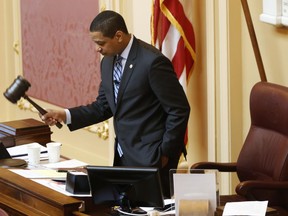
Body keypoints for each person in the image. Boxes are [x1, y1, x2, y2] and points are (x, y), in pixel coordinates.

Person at [41, 10, 190, 198]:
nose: (97, 48)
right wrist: (64, 114)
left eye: (100, 43)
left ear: (118, 36)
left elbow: (179, 109)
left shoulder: (152, 62)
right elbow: (103, 107)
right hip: (122, 156)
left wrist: (164, 154)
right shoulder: (107, 63)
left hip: (151, 158)